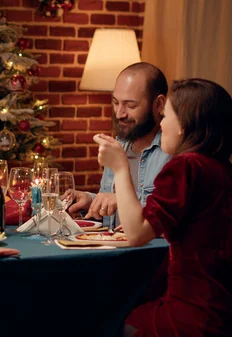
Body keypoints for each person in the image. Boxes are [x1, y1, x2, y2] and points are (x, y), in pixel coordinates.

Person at [95, 78, 232, 337]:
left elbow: (136, 235)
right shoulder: (219, 167)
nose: (161, 124)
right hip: (221, 306)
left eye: (166, 116)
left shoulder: (186, 166)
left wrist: (120, 167)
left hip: (193, 311)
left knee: (103, 318)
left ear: (185, 125)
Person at [69, 62, 171, 229]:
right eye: (116, 102)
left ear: (159, 104)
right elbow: (113, 204)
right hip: (115, 250)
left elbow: (177, 214)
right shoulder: (119, 145)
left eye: (131, 105)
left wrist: (123, 200)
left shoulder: (174, 151)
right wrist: (91, 201)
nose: (119, 113)